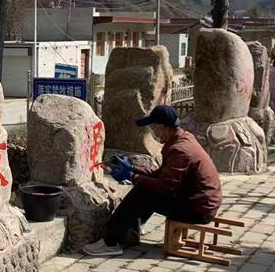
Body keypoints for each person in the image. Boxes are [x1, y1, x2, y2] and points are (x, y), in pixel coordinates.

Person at [83, 105, 222, 257]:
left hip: (198, 210)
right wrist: (133, 168)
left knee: (143, 192)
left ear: (162, 127)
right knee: (146, 187)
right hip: (196, 200)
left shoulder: (180, 150)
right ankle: (131, 230)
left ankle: (111, 241)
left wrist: (132, 177)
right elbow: (161, 174)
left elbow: (163, 186)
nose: (153, 133)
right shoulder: (183, 138)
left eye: (153, 128)